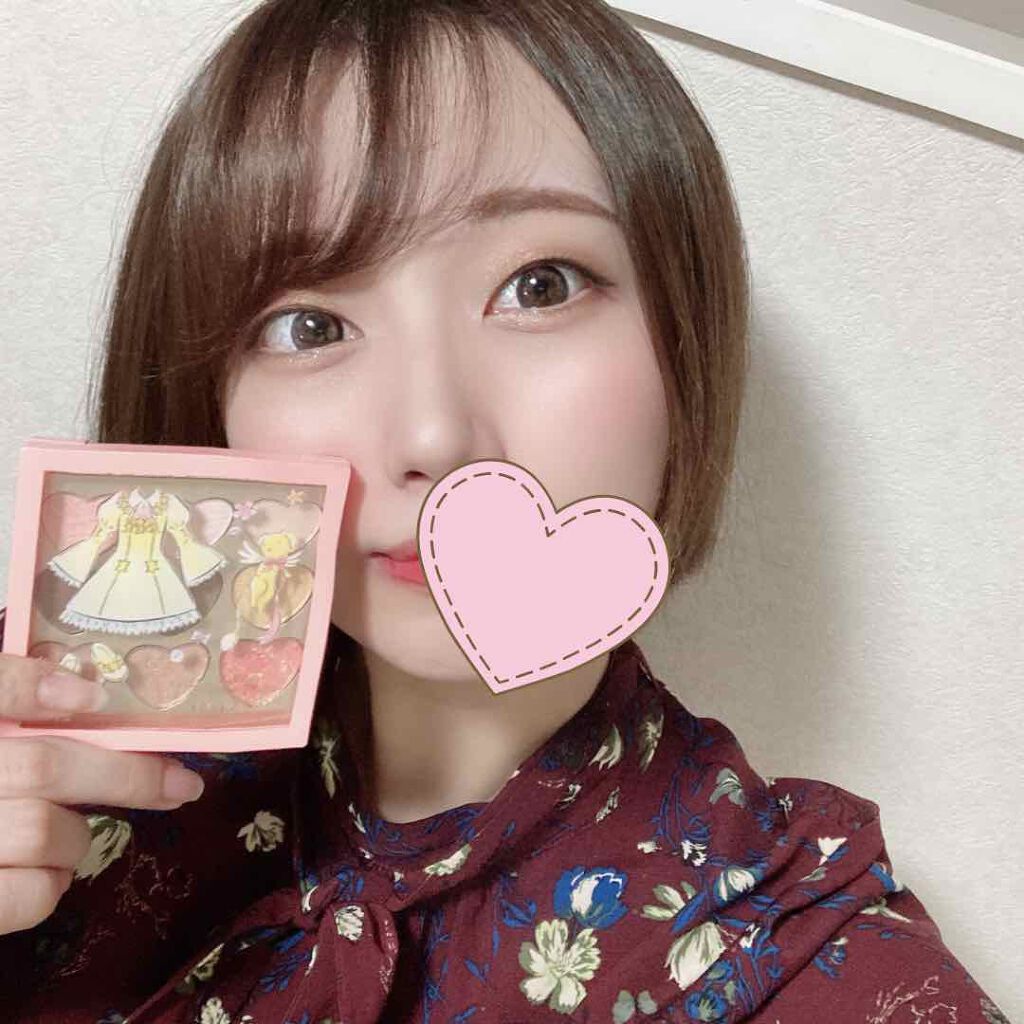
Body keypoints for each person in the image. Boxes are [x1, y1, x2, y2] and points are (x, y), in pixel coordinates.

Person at [0, 2, 1009, 1022]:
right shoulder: (43, 739)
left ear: (683, 338)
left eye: (540, 285)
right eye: (310, 325)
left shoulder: (823, 968)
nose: (434, 436)